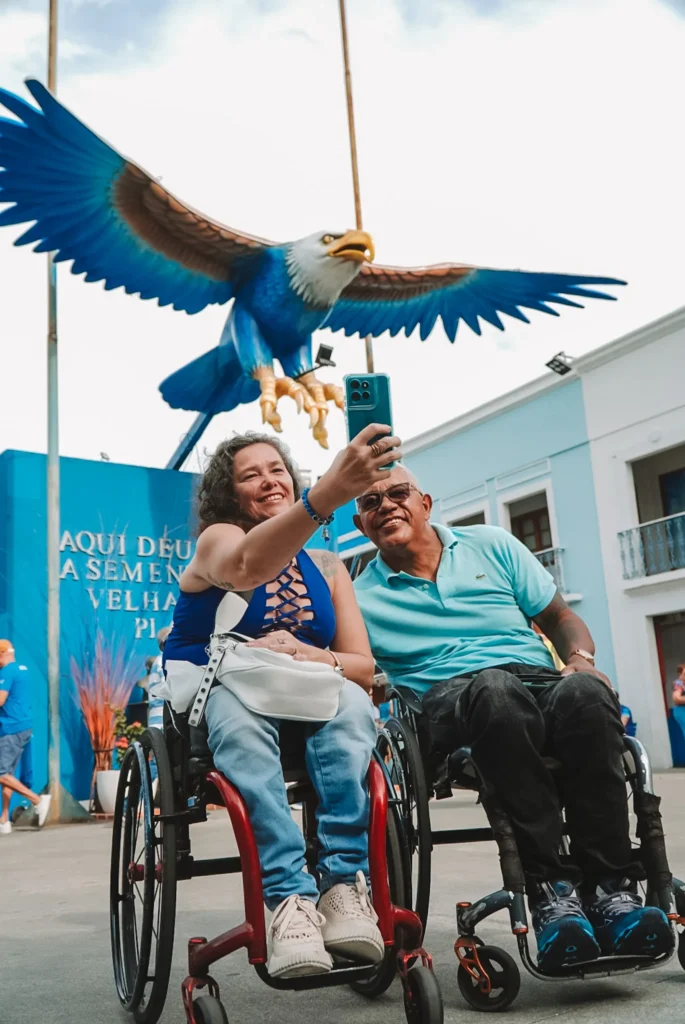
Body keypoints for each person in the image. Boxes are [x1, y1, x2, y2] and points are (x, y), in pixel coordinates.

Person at [352, 466, 673, 971]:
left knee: (586, 693)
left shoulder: (491, 545)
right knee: (494, 693)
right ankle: (552, 891)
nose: (386, 505)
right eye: (371, 503)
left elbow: (560, 619)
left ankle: (613, 891)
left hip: (534, 678)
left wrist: (580, 662)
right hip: (447, 698)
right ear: (361, 522)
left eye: (398, 493)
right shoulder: (359, 595)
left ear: (427, 502)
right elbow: (354, 667)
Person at [163, 425, 401, 979]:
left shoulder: (328, 566)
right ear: (229, 494)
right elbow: (246, 567)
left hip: (310, 694)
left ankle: (343, 886)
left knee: (352, 707)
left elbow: (364, 669)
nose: (269, 480)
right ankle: (289, 900)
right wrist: (325, 499)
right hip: (226, 693)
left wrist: (310, 656)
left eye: (277, 469)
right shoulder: (217, 540)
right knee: (240, 722)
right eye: (251, 474)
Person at [0, 640, 51, 834]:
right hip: (22, 727)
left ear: (2, 654)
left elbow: (1, 699)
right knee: (8, 774)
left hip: (11, 728)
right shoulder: (23, 670)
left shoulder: (6, 672)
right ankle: (4, 819)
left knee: (1, 773)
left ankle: (37, 800)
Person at [147, 627, 172, 731]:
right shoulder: (163, 661)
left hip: (159, 719)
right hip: (162, 721)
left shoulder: (160, 660)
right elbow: (169, 690)